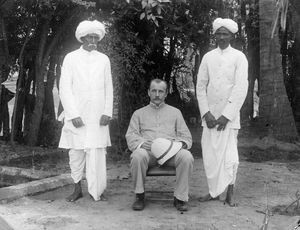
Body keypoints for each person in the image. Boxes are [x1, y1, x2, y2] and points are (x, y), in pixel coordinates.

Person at [58, 20, 113, 202]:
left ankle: (98, 189)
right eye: (89, 36)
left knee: (97, 152)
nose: (92, 40)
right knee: (76, 152)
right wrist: (73, 114)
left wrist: (107, 111)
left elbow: (109, 87)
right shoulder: (70, 58)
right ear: (82, 38)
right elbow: (64, 88)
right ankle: (77, 188)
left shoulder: (104, 59)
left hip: (98, 114)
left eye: (96, 37)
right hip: (78, 112)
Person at [196, 18, 248, 206]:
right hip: (209, 116)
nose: (222, 37)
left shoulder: (239, 57)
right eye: (219, 33)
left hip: (229, 116)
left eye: (225, 33)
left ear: (232, 36)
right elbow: (200, 87)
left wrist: (227, 115)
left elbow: (241, 87)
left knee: (230, 155)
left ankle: (230, 192)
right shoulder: (208, 57)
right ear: (215, 35)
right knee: (210, 155)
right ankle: (213, 192)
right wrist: (206, 113)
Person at [125, 79, 194, 211]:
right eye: (154, 91)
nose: (157, 94)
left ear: (166, 93)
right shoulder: (138, 113)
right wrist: (143, 144)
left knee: (186, 156)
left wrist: (173, 146)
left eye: (160, 91)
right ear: (149, 92)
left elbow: (186, 138)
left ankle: (180, 198)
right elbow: (131, 136)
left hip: (170, 155)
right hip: (148, 155)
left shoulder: (175, 112)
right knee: (137, 155)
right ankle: (139, 196)